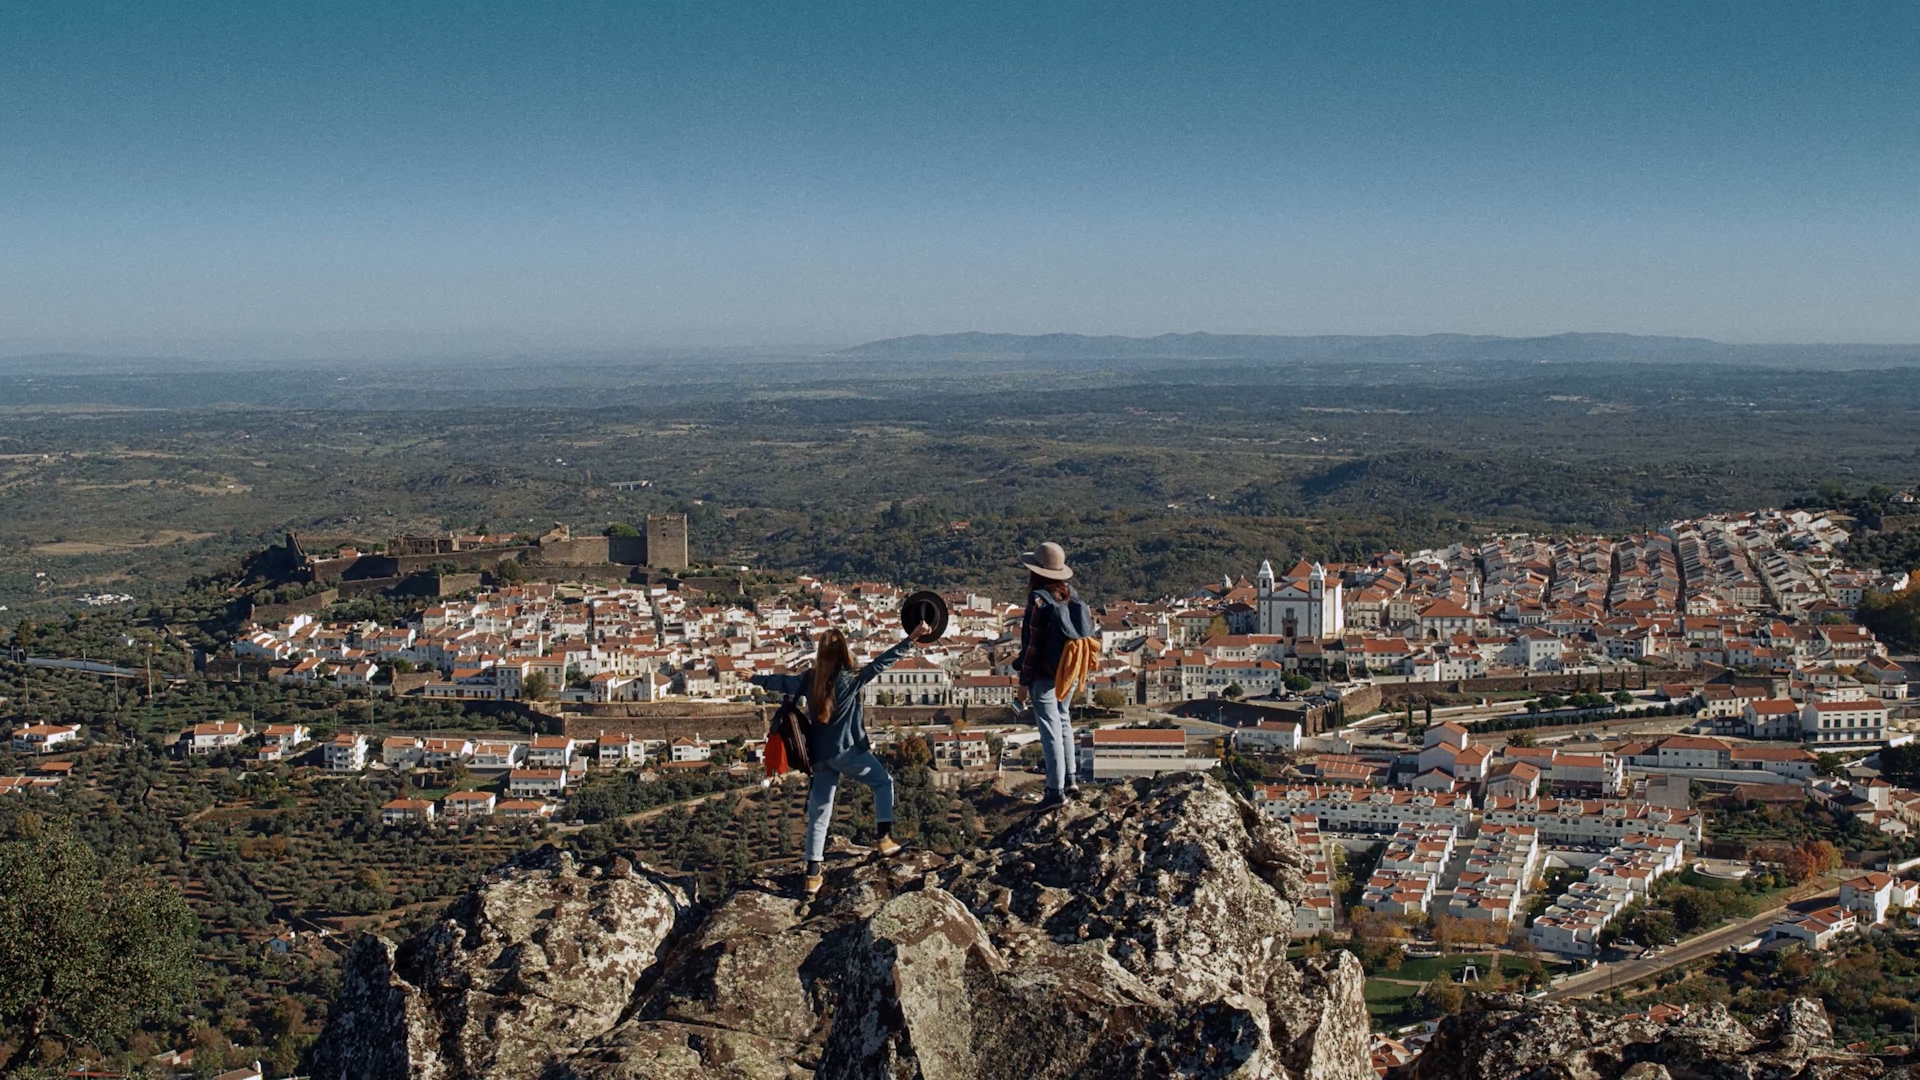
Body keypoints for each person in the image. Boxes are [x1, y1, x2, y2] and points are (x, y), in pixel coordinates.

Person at [751, 621, 932, 897]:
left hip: (819, 757)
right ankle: (883, 839)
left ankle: (812, 875)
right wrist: (913, 638)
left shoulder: (810, 679)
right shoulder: (850, 678)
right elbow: (882, 662)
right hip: (847, 751)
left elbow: (780, 682)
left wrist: (752, 677)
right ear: (844, 651)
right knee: (883, 783)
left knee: (820, 813)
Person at [1017, 541, 1090, 813]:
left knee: (1050, 733)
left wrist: (1023, 683)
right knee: (1064, 721)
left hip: (1045, 676)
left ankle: (1054, 792)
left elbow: (1032, 646)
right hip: (1068, 670)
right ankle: (1070, 780)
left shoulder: (1038, 600)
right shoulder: (1070, 593)